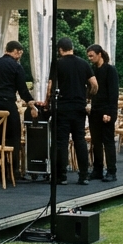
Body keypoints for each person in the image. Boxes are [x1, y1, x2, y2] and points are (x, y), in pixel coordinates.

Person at [0, 40, 38, 182]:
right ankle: (13, 171)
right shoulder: (16, 66)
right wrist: (31, 103)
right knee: (14, 137)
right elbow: (22, 90)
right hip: (7, 105)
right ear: (17, 52)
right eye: (20, 53)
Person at [45, 36, 97, 184]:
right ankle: (84, 175)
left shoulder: (57, 64)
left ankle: (61, 176)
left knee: (61, 142)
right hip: (79, 107)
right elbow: (94, 84)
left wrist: (47, 102)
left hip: (62, 107)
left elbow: (50, 87)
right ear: (72, 48)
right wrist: (87, 97)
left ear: (60, 50)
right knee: (79, 140)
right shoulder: (83, 63)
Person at [86, 44, 119, 182]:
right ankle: (97, 169)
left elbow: (113, 93)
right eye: (88, 56)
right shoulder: (93, 70)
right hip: (94, 110)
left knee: (108, 141)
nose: (90, 58)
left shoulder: (110, 70)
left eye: (92, 55)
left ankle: (111, 171)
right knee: (96, 142)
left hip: (106, 110)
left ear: (99, 54)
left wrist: (110, 113)